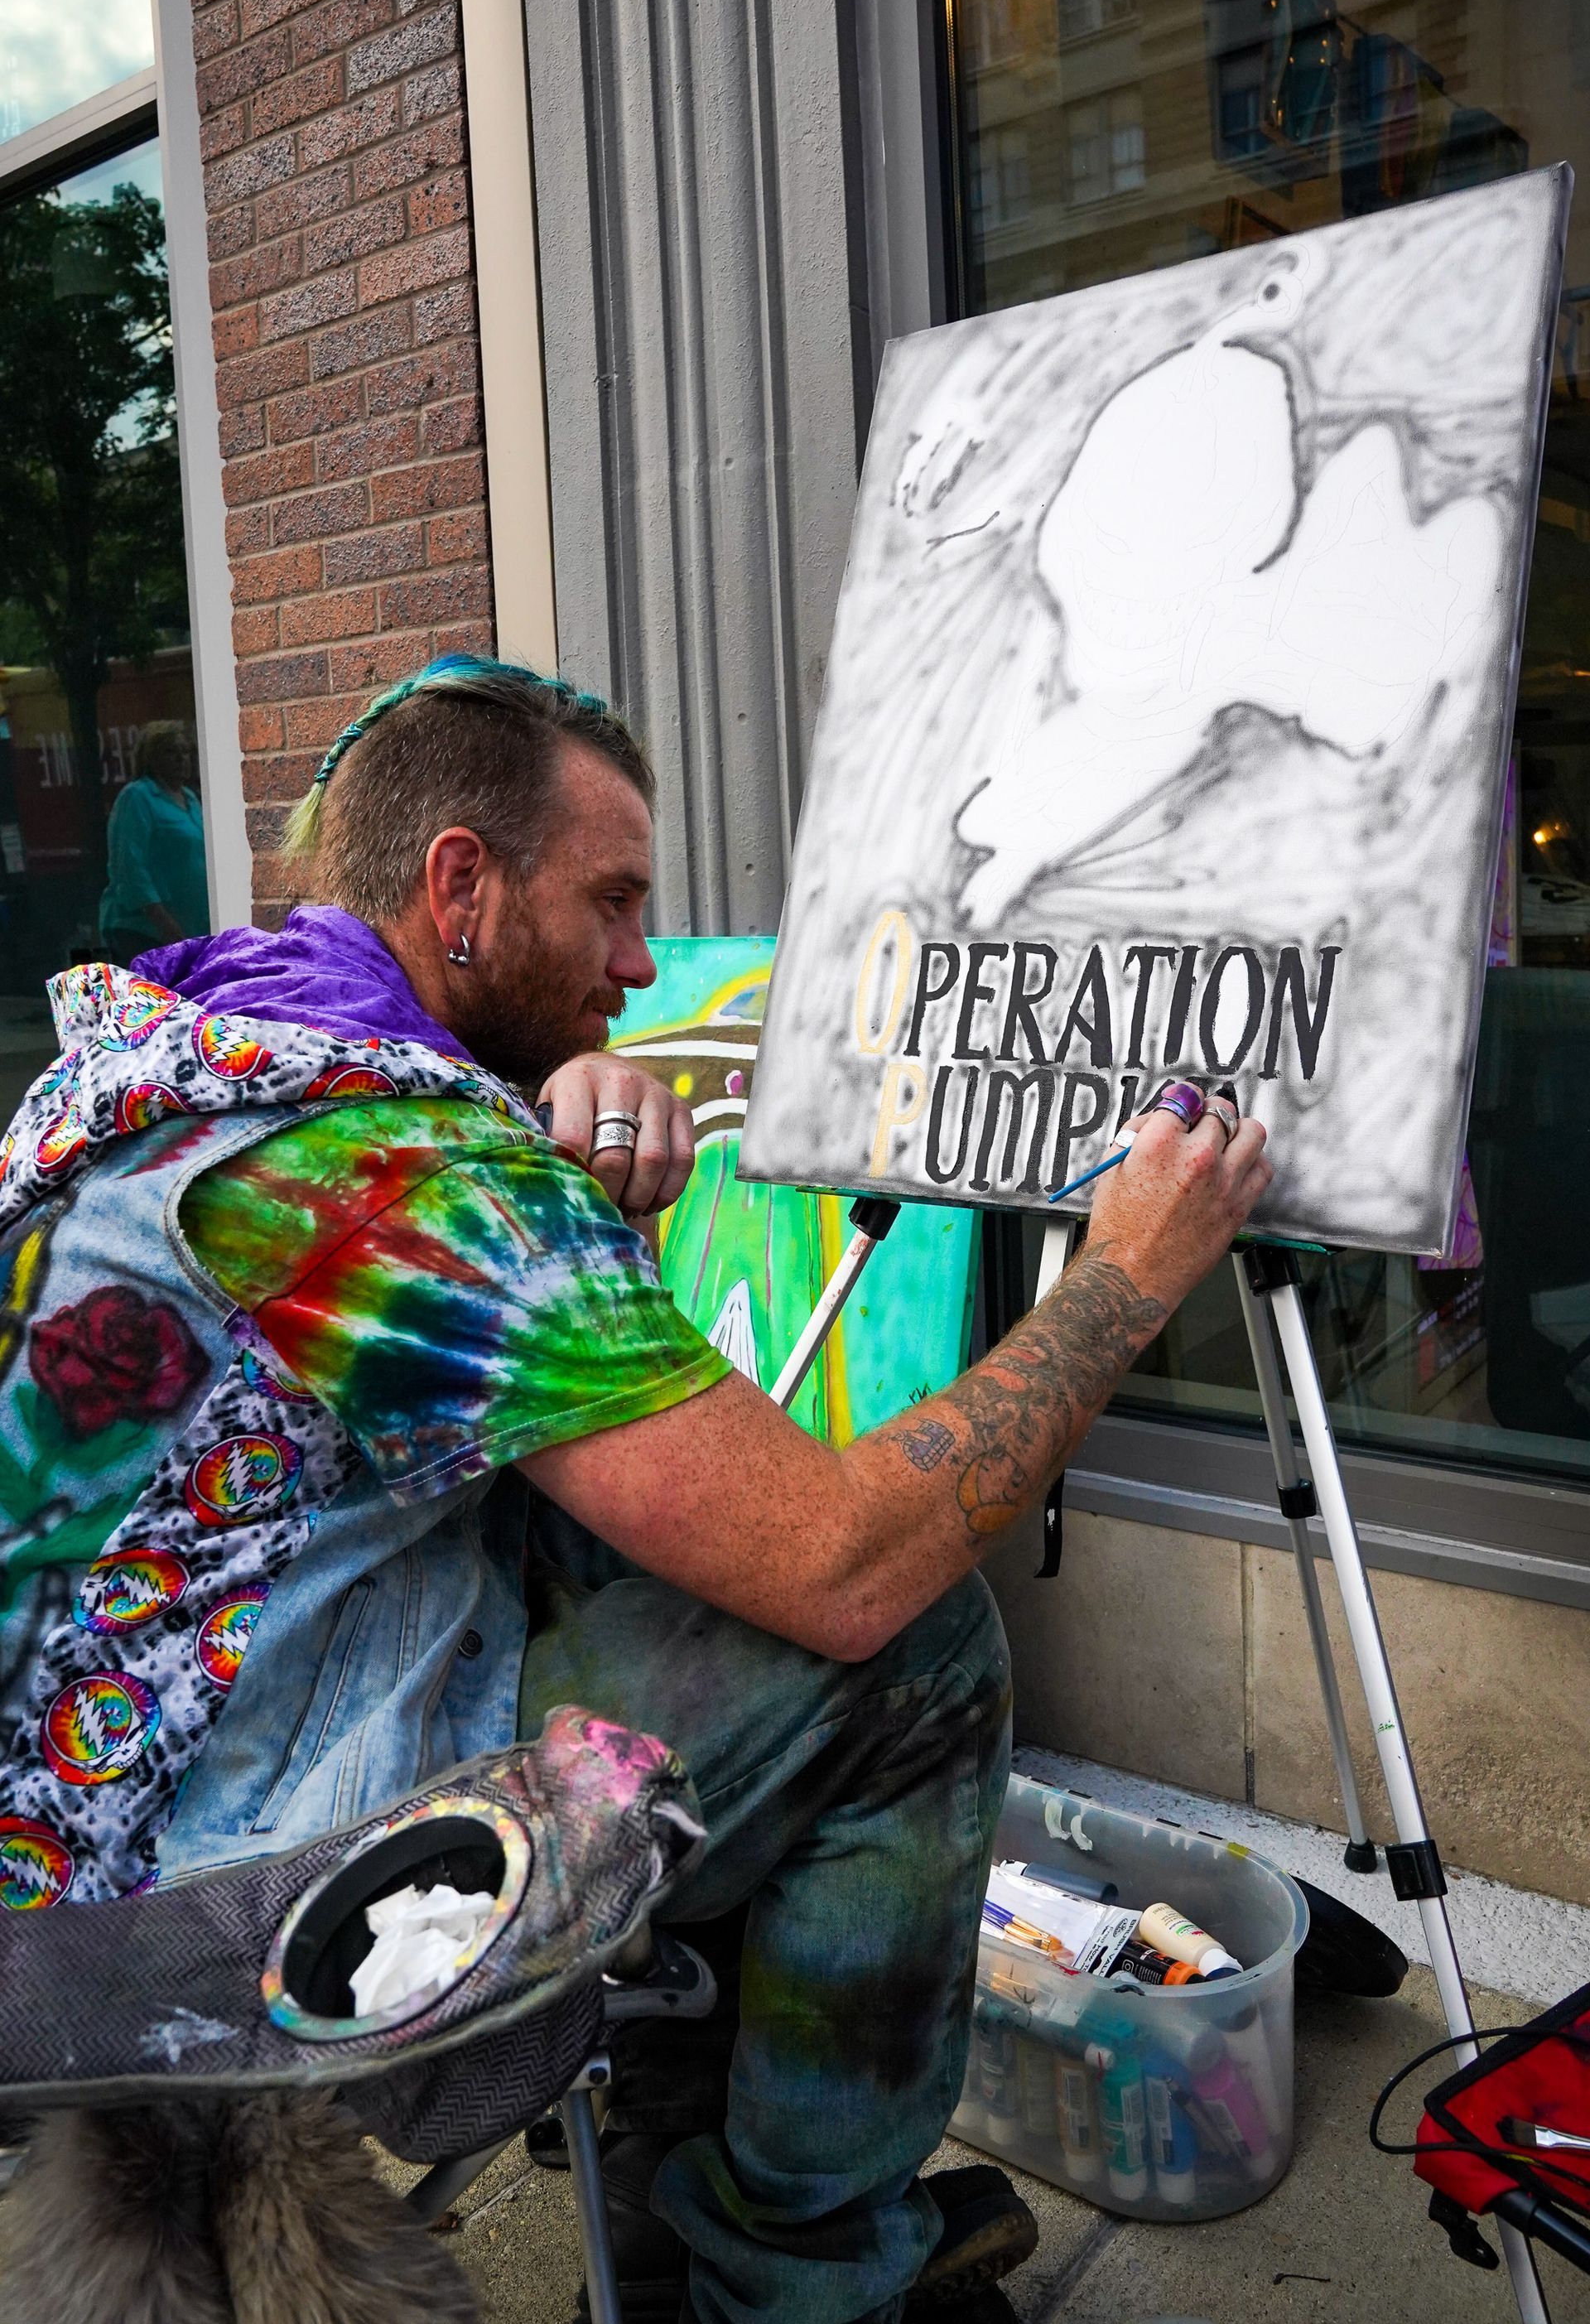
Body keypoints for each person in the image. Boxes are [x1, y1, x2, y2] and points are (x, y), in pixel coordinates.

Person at [0, 655, 1270, 2322]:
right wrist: (1124, 1279)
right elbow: (844, 1563)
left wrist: (544, 1124)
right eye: (609, 902)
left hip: (66, 1877)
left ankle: (695, 2183)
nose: (643, 961)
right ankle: (796, 2275)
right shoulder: (390, 1174)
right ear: (461, 883)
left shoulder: (177, 1060)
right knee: (903, 1649)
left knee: (650, 1591)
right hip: (222, 1936)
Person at [98, 720, 210, 962]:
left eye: (185, 751)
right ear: (151, 757)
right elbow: (129, 867)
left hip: (189, 929)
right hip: (146, 931)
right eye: (171, 751)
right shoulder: (137, 797)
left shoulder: (190, 798)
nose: (182, 758)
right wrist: (164, 923)